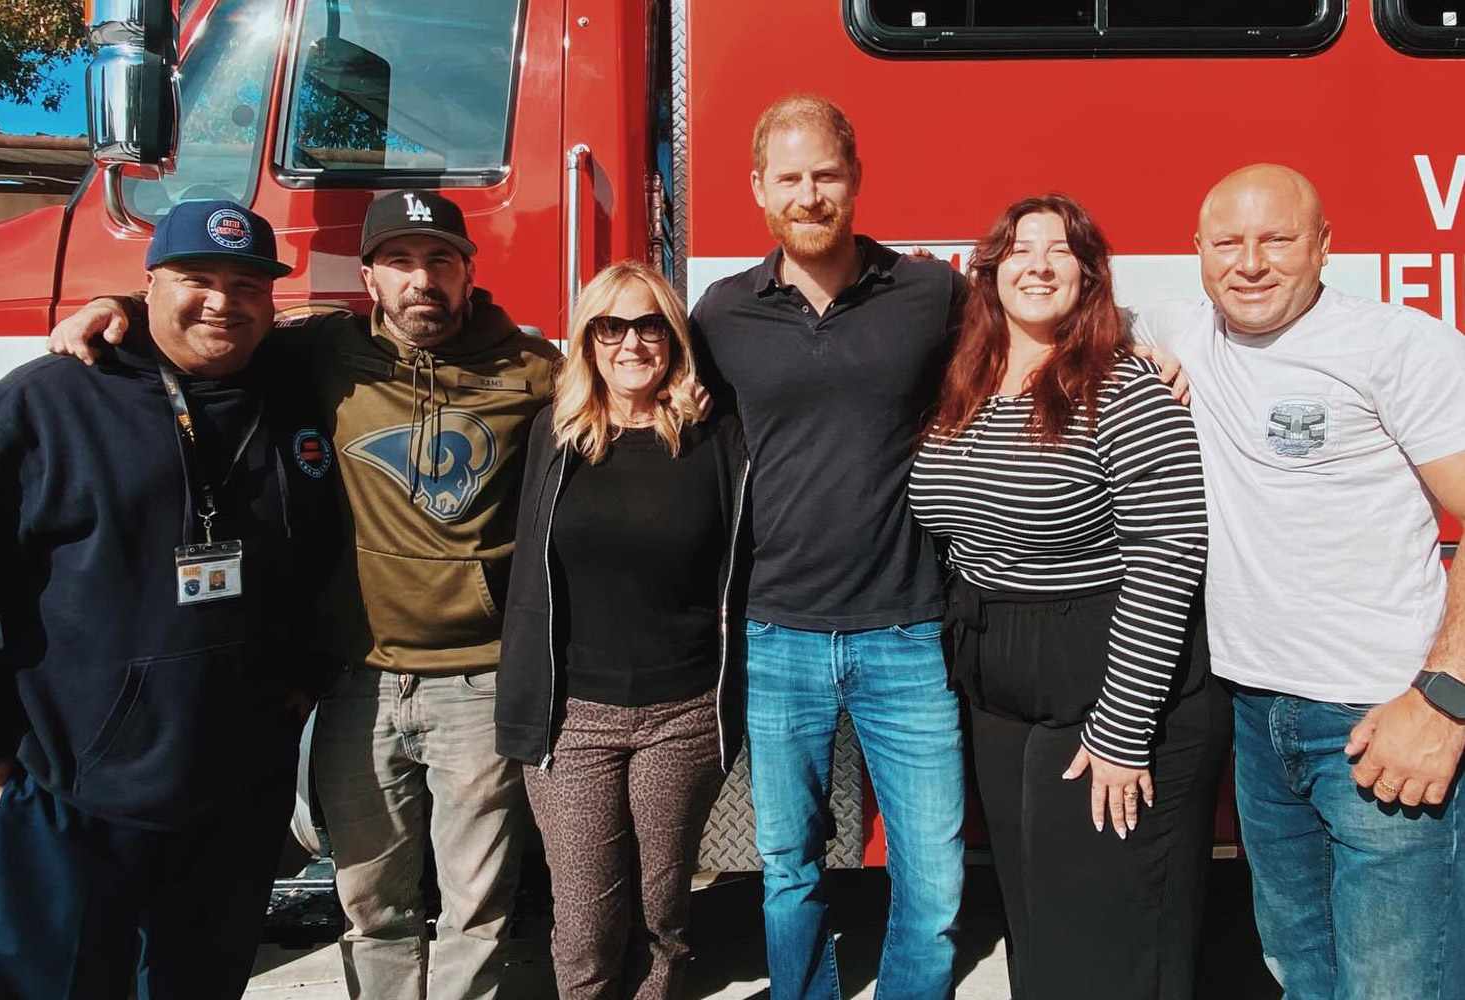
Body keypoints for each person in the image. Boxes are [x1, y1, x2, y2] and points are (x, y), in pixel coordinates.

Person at [47, 189, 560, 999]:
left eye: (439, 262)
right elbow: (211, 330)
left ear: (469, 274)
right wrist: (111, 309)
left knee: (479, 908)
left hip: (481, 679)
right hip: (357, 679)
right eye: (399, 262)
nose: (420, 281)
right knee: (372, 904)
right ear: (368, 277)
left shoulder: (533, 371)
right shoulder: (323, 349)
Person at [0, 201, 339, 998]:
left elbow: (327, 563)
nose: (222, 300)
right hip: (77, 785)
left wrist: (300, 684)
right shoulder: (46, 404)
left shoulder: (298, 392)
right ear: (148, 286)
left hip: (236, 790)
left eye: (246, 283)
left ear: (272, 300)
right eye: (195, 279)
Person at [1132, 163, 1465, 999]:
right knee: (1300, 973)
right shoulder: (1185, 332)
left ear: (1324, 245)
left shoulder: (1400, 347)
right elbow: (1060, 316)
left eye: (1277, 239)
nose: (1250, 263)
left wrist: (1447, 696)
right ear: (1197, 252)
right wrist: (1132, 349)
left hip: (1380, 718)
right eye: (1228, 243)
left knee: (1398, 985)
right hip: (1253, 715)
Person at [907, 194, 1226, 999]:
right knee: (1036, 924)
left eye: (1060, 251)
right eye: (1018, 249)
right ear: (991, 272)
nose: (1038, 264)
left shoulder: (1122, 387)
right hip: (1000, 690)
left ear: (1089, 277)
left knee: (1106, 940)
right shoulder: (963, 382)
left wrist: (1122, 731)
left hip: (1104, 683)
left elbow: (1170, 548)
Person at [689, 93, 966, 999]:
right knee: (787, 871)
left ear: (856, 180)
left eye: (826, 176)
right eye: (790, 178)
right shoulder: (722, 314)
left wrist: (1148, 351)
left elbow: (1038, 345)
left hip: (905, 630)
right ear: (759, 190)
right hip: (776, 636)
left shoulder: (930, 293)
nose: (809, 194)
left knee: (933, 880)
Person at [495, 260, 749, 999]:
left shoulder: (715, 434)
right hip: (572, 717)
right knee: (585, 923)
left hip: (684, 713)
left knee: (663, 911)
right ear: (588, 339)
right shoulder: (556, 433)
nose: (631, 343)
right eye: (612, 326)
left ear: (674, 338)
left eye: (649, 326)